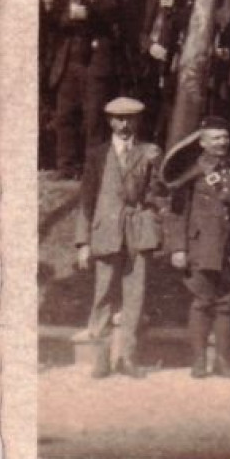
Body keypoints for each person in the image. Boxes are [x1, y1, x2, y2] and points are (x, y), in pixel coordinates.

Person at [160, 117, 230, 378]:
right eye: (215, 138)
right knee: (202, 302)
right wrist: (178, 248)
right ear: (202, 142)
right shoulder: (191, 174)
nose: (222, 142)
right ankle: (199, 361)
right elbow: (178, 213)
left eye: (224, 137)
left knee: (227, 304)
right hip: (202, 247)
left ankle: (223, 361)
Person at [74, 97, 163, 378]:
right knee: (102, 295)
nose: (125, 125)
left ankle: (127, 357)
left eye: (130, 119)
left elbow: (157, 194)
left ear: (138, 121)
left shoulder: (148, 152)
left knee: (135, 297)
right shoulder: (97, 155)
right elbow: (87, 200)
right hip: (106, 232)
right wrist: (83, 242)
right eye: (119, 119)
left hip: (137, 232)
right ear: (110, 121)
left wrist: (157, 166)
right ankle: (100, 357)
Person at [45, 0, 121, 179]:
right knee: (65, 115)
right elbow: (55, 18)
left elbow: (111, 13)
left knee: (94, 117)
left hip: (95, 62)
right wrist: (71, 16)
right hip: (69, 60)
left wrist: (87, 8)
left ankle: (91, 170)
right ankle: (66, 166)